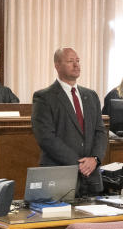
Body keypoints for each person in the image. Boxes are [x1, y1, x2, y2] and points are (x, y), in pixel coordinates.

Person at [32, 47, 108, 196]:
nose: (76, 65)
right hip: (59, 176)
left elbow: (100, 132)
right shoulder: (44, 97)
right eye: (70, 61)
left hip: (91, 178)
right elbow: (46, 138)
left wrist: (95, 159)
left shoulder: (91, 96)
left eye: (78, 61)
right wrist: (79, 164)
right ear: (57, 65)